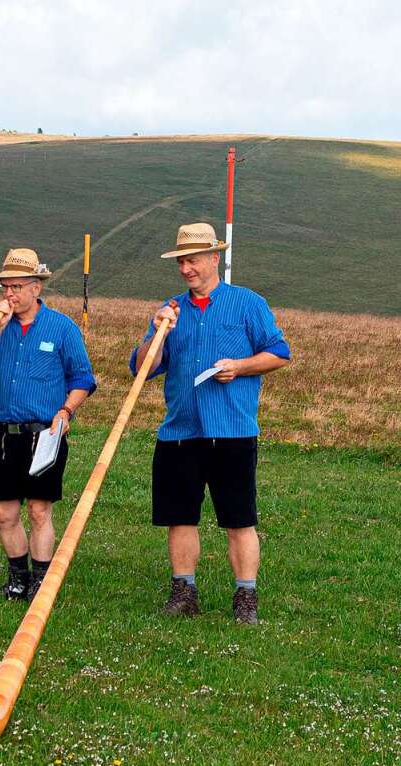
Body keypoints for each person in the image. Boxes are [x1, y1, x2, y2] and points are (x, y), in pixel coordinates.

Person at [130, 222, 291, 624]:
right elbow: (141, 368)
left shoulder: (248, 303)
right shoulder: (170, 310)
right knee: (180, 516)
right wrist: (159, 331)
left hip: (232, 431)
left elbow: (279, 353)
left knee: (239, 518)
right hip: (179, 431)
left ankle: (245, 599)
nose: (187, 269)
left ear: (214, 258)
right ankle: (184, 592)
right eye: (182, 261)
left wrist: (239, 367)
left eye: (194, 260)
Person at [0, 248, 96, 600]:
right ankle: (17, 578)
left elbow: (83, 378)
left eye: (17, 287)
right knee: (3, 511)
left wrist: (66, 411)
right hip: (5, 434)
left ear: (37, 287)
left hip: (45, 434)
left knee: (39, 510)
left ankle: (40, 581)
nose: (10, 294)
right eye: (5, 287)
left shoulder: (61, 327)